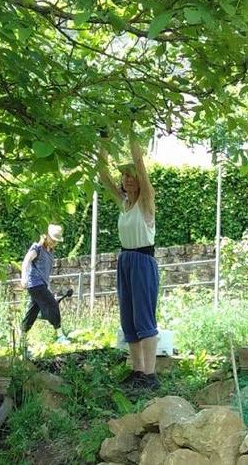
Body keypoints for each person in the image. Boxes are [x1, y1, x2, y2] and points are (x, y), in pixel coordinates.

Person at [97, 136, 160, 390]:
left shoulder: (146, 202)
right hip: (125, 260)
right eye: (125, 175)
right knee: (129, 319)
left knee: (144, 318)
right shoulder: (123, 203)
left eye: (132, 175)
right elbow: (101, 174)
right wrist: (104, 139)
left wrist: (131, 131)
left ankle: (150, 375)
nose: (128, 179)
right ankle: (137, 372)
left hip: (143, 261)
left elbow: (140, 166)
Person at [19, 224, 65, 335]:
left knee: (33, 310)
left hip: (41, 285)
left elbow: (45, 271)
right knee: (53, 305)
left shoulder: (50, 251)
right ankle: (60, 335)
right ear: (46, 236)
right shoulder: (37, 247)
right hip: (35, 284)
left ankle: (22, 335)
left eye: (56, 241)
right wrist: (23, 278)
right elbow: (26, 261)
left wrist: (47, 286)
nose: (54, 242)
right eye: (53, 239)